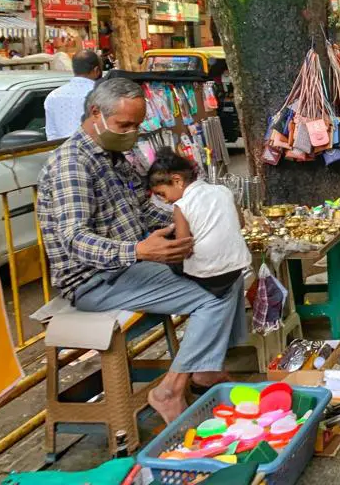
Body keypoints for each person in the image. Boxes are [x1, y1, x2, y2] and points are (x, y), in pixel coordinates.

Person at [37, 78, 248, 423]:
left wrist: (194, 221)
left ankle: (206, 369)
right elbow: (74, 239)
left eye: (137, 124)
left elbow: (145, 209)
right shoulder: (71, 165)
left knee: (229, 270)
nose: (132, 132)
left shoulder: (119, 156)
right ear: (96, 114)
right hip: (95, 280)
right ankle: (170, 390)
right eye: (125, 125)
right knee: (214, 293)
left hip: (132, 264)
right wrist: (138, 251)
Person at [147, 148, 251, 297]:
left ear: (177, 181)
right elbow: (240, 223)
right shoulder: (223, 190)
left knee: (169, 252)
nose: (165, 200)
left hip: (208, 277)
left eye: (161, 194)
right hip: (237, 267)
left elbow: (183, 247)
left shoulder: (181, 205)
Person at [44, 49, 102, 140]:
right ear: (96, 70)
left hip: (62, 152)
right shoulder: (102, 93)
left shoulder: (53, 96)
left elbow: (51, 135)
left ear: (74, 69)